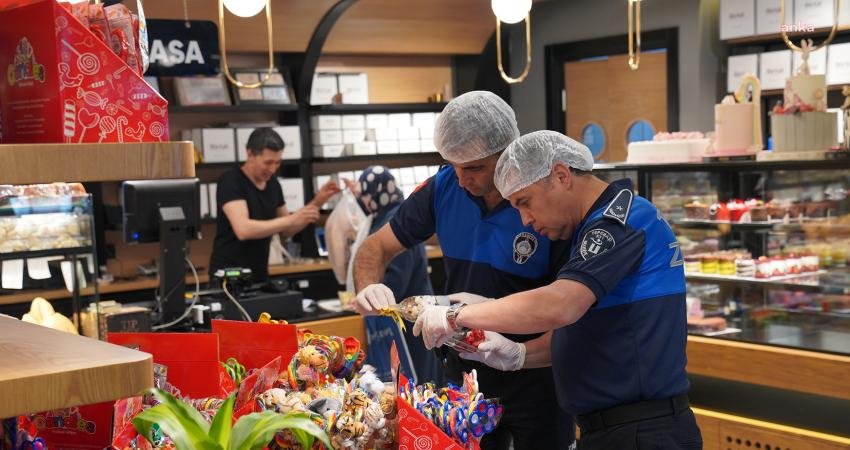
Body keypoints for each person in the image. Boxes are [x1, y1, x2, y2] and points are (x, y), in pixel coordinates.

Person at [413, 130, 702, 450]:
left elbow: (561, 304)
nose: (524, 220)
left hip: (643, 431)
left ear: (561, 175)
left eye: (525, 202)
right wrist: (519, 355)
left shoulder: (623, 221)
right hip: (611, 429)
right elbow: (588, 333)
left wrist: (457, 315)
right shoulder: (588, 230)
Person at [350, 91, 572, 449]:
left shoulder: (543, 196)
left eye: (474, 167)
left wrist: (518, 349)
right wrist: (367, 285)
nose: (461, 177)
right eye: (452, 164)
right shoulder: (443, 187)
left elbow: (569, 302)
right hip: (463, 364)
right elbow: (375, 246)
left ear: (508, 150)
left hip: (534, 366)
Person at [347, 166, 443, 385]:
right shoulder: (388, 217)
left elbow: (396, 283)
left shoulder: (396, 221)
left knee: (418, 389)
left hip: (409, 324)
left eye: (363, 195)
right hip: (406, 321)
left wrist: (372, 298)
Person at [209, 127, 340, 282]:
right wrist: (291, 219)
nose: (273, 169)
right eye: (268, 162)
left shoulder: (272, 184)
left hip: (259, 273)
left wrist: (317, 202)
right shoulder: (231, 181)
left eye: (277, 162)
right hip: (228, 274)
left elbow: (287, 230)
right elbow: (243, 230)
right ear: (250, 154)